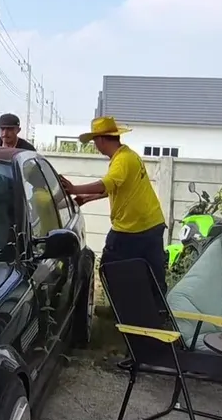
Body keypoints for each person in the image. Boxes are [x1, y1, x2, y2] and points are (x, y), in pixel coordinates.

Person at [59, 116, 168, 292]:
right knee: (152, 276)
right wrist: (87, 198)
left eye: (95, 140)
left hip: (133, 228)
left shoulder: (122, 160)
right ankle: (151, 306)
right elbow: (115, 187)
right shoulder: (127, 155)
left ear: (101, 140)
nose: (95, 145)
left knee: (109, 267)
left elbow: (105, 184)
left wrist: (74, 189)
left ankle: (126, 303)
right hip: (150, 223)